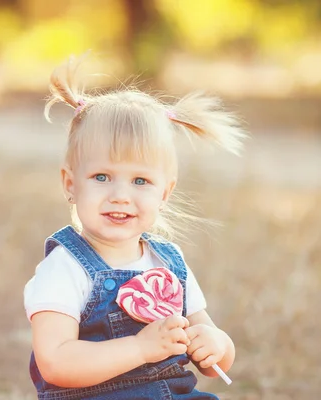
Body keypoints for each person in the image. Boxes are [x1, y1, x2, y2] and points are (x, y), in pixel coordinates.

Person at [23, 55, 247, 399]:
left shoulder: (168, 263)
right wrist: (140, 349)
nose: (121, 196)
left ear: (165, 192)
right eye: (102, 177)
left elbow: (211, 348)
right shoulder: (64, 268)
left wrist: (215, 344)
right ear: (70, 183)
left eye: (140, 180)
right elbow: (55, 362)